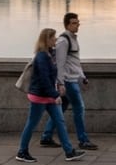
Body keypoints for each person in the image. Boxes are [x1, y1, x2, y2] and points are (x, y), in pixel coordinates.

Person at [16, 28, 85, 163]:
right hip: (40, 97)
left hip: (48, 96)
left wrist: (58, 85)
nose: (56, 40)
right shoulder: (42, 57)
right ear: (47, 40)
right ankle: (22, 151)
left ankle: (69, 152)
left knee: (60, 122)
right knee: (31, 124)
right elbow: (44, 79)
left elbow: (51, 76)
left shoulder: (49, 54)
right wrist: (55, 95)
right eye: (53, 38)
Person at [40, 12, 97, 151]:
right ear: (67, 25)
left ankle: (46, 137)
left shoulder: (72, 39)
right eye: (74, 23)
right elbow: (60, 64)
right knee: (79, 108)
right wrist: (60, 83)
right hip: (67, 81)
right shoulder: (63, 41)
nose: (77, 25)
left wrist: (82, 77)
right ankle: (83, 140)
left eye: (78, 23)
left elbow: (74, 62)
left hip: (72, 79)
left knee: (61, 108)